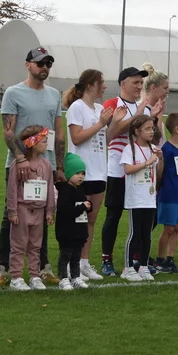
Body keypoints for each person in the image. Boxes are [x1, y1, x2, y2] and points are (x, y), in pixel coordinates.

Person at [0, 47, 65, 287]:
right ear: (28, 65)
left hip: (46, 165)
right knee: (11, 215)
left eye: (48, 64)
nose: (44, 68)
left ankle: (41, 268)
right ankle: (3, 267)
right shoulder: (14, 92)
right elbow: (8, 131)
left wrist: (59, 166)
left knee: (42, 215)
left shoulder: (54, 94)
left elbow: (59, 132)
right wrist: (19, 158)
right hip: (19, 166)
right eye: (40, 63)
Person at [98, 66, 151, 276]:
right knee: (114, 214)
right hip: (117, 169)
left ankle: (136, 259)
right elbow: (109, 137)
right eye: (135, 82)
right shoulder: (112, 104)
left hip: (140, 171)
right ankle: (106, 259)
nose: (139, 86)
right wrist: (135, 116)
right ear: (123, 84)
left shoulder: (144, 108)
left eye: (141, 83)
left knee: (141, 216)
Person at [63, 69, 112, 281]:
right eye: (102, 82)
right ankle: (70, 265)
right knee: (78, 220)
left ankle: (84, 263)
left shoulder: (100, 108)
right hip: (82, 171)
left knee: (91, 220)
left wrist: (113, 122)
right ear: (91, 85)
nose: (105, 86)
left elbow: (104, 138)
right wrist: (100, 123)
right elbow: (76, 138)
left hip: (100, 170)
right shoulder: (77, 107)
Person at [5, 125, 56, 291]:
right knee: (19, 245)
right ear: (33, 143)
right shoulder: (17, 165)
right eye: (43, 141)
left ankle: (34, 275)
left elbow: (49, 189)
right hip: (22, 210)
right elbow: (12, 189)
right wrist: (12, 211)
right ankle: (16, 277)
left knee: (36, 245)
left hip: (39, 212)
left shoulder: (46, 165)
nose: (46, 144)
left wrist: (50, 210)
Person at [120, 115, 160, 282]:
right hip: (136, 198)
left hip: (149, 197)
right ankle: (128, 267)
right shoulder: (130, 149)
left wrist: (160, 158)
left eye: (153, 128)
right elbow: (127, 170)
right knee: (135, 233)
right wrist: (148, 162)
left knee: (147, 234)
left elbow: (159, 171)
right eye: (148, 129)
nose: (152, 131)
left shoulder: (154, 148)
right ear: (137, 131)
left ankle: (143, 266)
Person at [155, 113, 178, 274]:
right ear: (177, 129)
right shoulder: (166, 149)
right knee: (168, 228)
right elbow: (160, 173)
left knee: (177, 227)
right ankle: (160, 259)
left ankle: (170, 258)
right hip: (169, 194)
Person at [55, 152, 92, 291]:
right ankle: (63, 278)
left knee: (76, 256)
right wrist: (83, 206)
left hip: (79, 231)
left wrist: (88, 206)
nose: (81, 176)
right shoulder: (65, 191)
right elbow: (66, 210)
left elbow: (83, 205)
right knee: (65, 256)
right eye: (77, 173)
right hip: (67, 231)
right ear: (69, 174)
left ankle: (76, 277)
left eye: (83, 173)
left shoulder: (80, 190)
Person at [142, 63, 169, 145]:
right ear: (153, 88)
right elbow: (157, 140)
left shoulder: (151, 108)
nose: (167, 91)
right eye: (165, 88)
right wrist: (159, 115)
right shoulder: (143, 110)